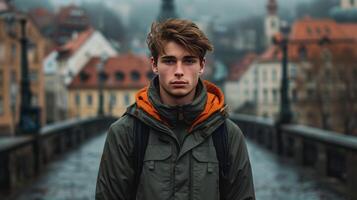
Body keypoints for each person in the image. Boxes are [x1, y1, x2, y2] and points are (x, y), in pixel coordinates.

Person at [95, 18, 255, 200]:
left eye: (189, 61)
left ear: (202, 65)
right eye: (169, 61)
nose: (179, 71)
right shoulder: (126, 133)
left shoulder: (227, 135)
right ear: (154, 64)